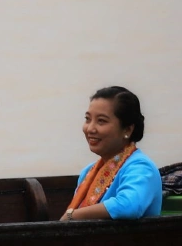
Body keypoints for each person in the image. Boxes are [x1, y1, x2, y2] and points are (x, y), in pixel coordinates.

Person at [61, 86, 161, 222]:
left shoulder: (141, 168)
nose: (90, 128)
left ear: (127, 129)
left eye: (101, 121)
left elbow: (129, 205)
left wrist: (73, 215)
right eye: (88, 119)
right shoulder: (88, 172)